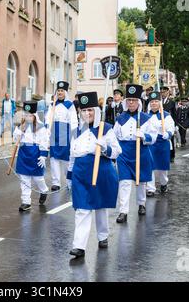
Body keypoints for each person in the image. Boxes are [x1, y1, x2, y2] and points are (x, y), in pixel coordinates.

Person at [68, 91, 121, 258]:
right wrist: (69, 177)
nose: (87, 114)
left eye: (90, 110)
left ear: (96, 111)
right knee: (82, 209)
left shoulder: (105, 129)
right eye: (84, 111)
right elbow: (72, 155)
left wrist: (105, 148)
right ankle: (79, 246)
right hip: (80, 173)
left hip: (101, 171)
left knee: (99, 206)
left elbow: (117, 152)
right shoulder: (75, 131)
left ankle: (103, 236)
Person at [113, 84, 157, 223]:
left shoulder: (146, 118)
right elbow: (114, 137)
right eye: (129, 100)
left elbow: (154, 137)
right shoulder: (120, 118)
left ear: (138, 102)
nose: (131, 102)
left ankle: (141, 203)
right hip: (124, 153)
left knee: (141, 181)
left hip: (141, 151)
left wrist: (144, 136)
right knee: (124, 182)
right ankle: (123, 211)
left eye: (134, 100)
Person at [13, 101, 50, 212]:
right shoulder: (21, 126)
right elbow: (16, 140)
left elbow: (44, 142)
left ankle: (44, 190)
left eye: (30, 115)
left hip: (35, 154)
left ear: (35, 116)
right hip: (24, 154)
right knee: (24, 180)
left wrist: (43, 156)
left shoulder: (40, 128)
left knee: (38, 178)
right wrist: (20, 131)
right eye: (26, 115)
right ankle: (26, 202)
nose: (28, 117)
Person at [45, 81, 78, 191]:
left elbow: (74, 120)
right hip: (54, 132)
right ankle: (56, 182)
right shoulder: (52, 104)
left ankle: (69, 181)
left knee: (66, 159)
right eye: (58, 91)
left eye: (61, 91)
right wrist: (47, 128)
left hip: (65, 132)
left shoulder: (70, 105)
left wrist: (74, 135)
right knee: (54, 158)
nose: (59, 93)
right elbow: (48, 118)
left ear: (65, 92)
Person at [146, 92, 175, 197]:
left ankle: (164, 183)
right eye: (152, 102)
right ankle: (150, 188)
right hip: (150, 143)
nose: (153, 104)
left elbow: (171, 127)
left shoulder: (166, 115)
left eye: (156, 102)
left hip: (162, 143)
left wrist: (168, 133)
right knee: (150, 166)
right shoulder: (145, 116)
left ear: (159, 103)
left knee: (162, 167)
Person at [160, 86, 177, 162]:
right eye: (161, 92)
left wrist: (175, 125)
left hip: (169, 123)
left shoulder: (171, 102)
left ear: (167, 92)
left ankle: (171, 156)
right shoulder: (158, 101)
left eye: (164, 92)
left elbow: (174, 114)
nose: (162, 94)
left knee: (170, 140)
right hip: (160, 122)